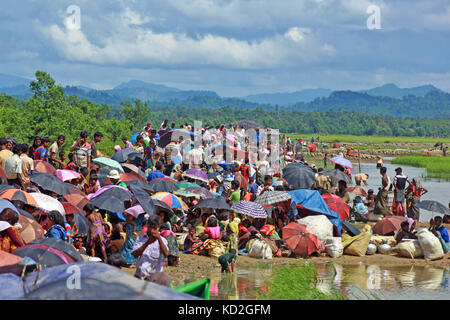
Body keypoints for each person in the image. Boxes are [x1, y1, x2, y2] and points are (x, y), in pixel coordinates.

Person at [132, 215, 169, 280]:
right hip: (139, 275)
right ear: (147, 225)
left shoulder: (163, 240)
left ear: (158, 227)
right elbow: (134, 254)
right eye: (150, 227)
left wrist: (159, 239)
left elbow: (166, 254)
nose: (152, 230)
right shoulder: (140, 238)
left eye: (155, 228)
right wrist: (147, 243)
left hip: (154, 278)